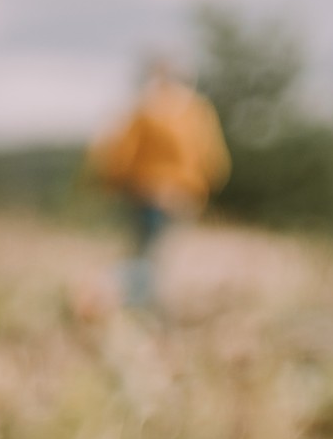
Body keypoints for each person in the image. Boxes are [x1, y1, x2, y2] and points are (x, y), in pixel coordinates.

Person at [87, 58, 230, 309]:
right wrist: (201, 188)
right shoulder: (198, 110)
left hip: (146, 194)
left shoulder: (145, 110)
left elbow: (121, 156)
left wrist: (112, 184)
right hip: (182, 196)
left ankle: (113, 291)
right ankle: (148, 306)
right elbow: (214, 160)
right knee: (163, 257)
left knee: (144, 254)